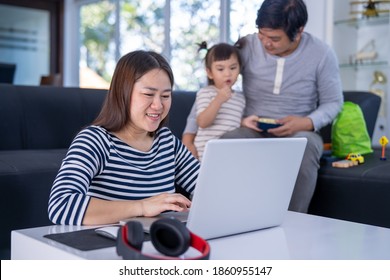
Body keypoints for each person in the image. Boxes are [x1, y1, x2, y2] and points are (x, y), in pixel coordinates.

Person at [182, 0, 344, 213]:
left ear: (299, 31)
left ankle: (293, 222)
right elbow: (211, 89)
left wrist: (306, 122)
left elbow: (334, 102)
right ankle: (214, 213)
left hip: (297, 132)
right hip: (252, 128)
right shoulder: (248, 46)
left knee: (306, 149)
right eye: (261, 35)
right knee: (225, 144)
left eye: (274, 38)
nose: (266, 43)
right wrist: (188, 137)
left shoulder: (321, 54)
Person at [48, 50, 199, 226]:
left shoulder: (167, 142)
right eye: (148, 94)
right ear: (123, 93)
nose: (158, 105)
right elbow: (61, 205)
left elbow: (208, 187)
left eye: (166, 96)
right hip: (107, 247)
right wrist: (142, 207)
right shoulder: (95, 140)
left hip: (159, 244)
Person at [193, 42, 245, 161]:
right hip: (205, 154)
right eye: (220, 69)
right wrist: (218, 100)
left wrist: (244, 122)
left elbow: (232, 122)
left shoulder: (240, 98)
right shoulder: (206, 93)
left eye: (233, 68)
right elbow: (202, 122)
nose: (228, 73)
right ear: (210, 73)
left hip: (230, 153)